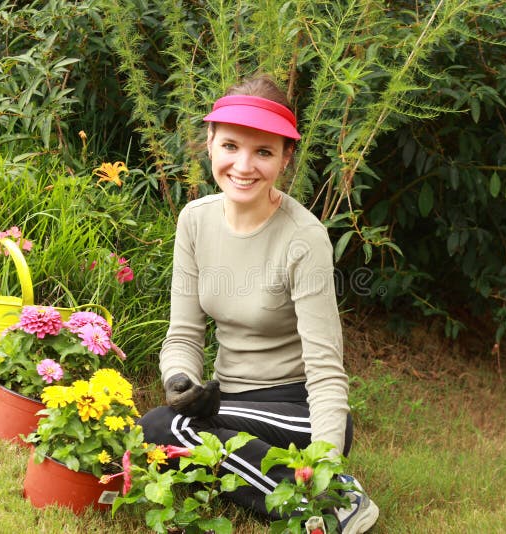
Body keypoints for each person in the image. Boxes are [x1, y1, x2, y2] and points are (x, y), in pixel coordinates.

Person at [138, 74, 379, 533]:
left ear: (285, 159)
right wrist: (180, 383)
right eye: (230, 146)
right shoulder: (195, 221)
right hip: (228, 400)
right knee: (166, 434)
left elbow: (326, 371)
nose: (243, 165)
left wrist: (326, 455)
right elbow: (184, 334)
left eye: (263, 152)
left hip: (299, 410)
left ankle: (329, 495)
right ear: (209, 143)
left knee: (158, 432)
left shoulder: (304, 239)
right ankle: (314, 495)